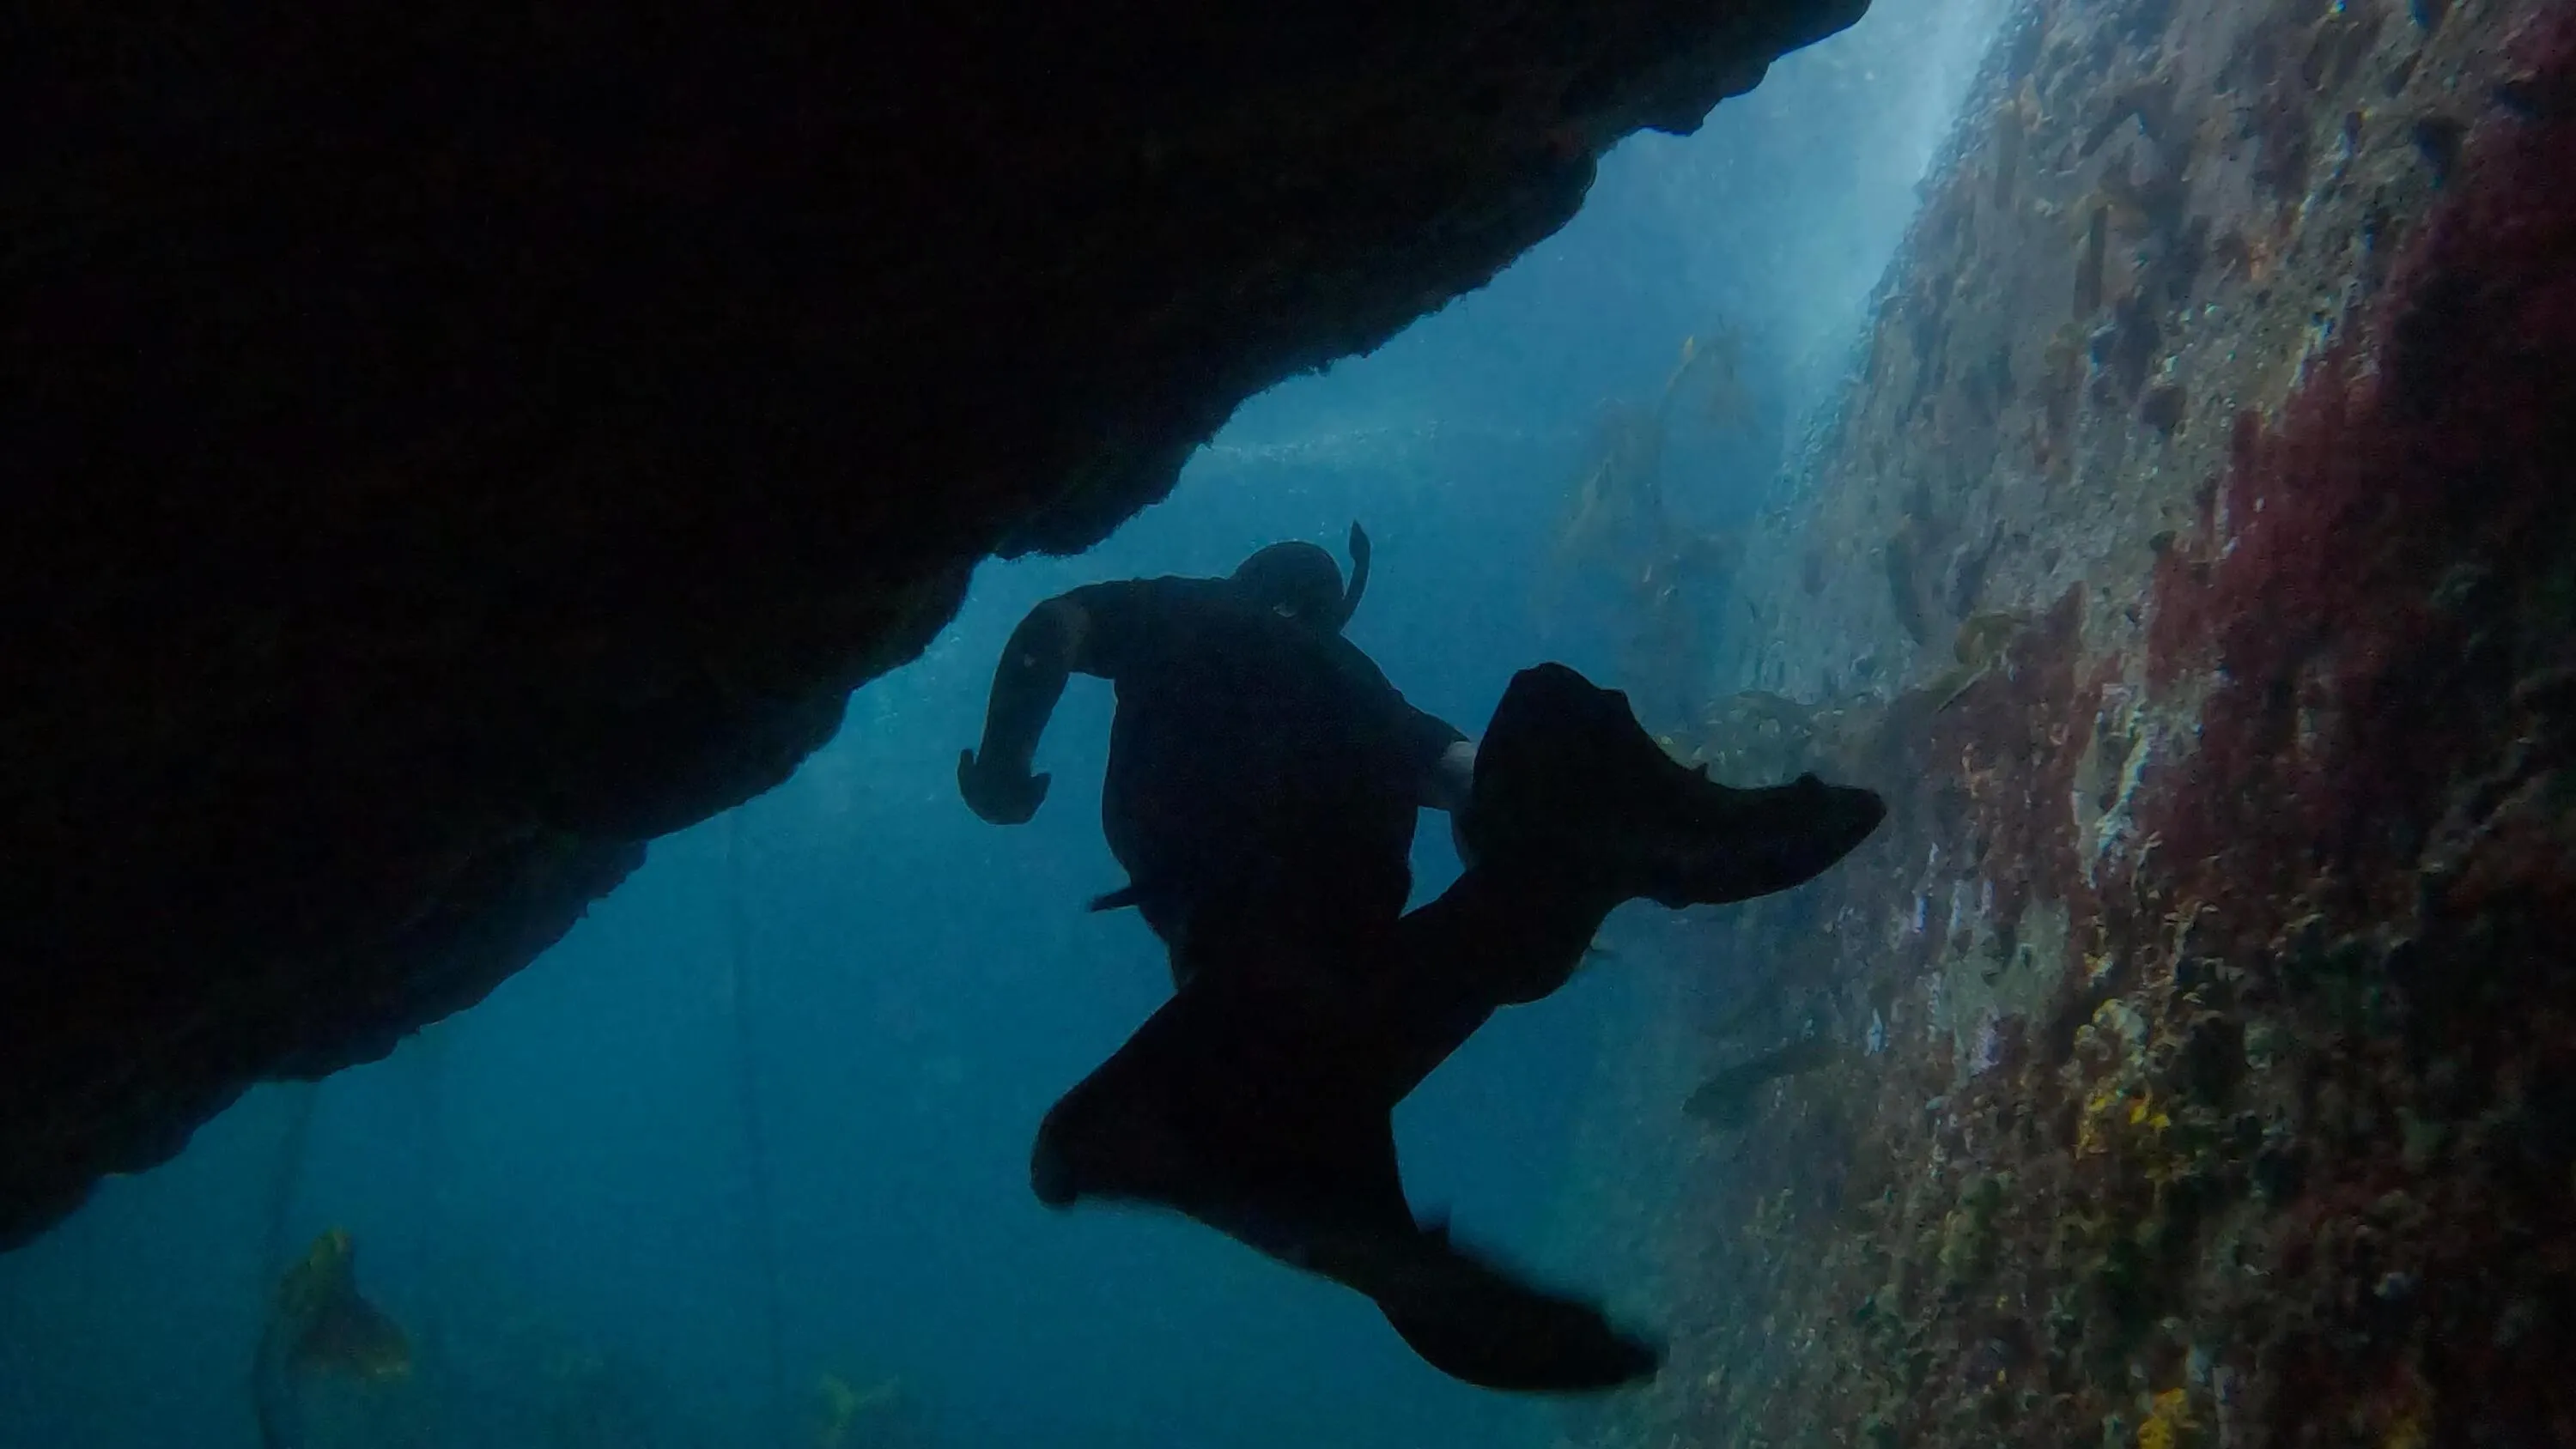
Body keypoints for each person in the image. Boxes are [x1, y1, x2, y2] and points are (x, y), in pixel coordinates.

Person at [960, 526, 1884, 1392]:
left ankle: (1348, 1217)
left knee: (1085, 1147)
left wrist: (1003, 763)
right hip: (1376, 977)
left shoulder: (1178, 610)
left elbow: (1056, 625)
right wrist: (1581, 853)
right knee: (1550, 771)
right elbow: (1481, 774)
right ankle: (1603, 855)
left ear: (1252, 584)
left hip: (1265, 989)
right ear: (1326, 612)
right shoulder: (1364, 689)